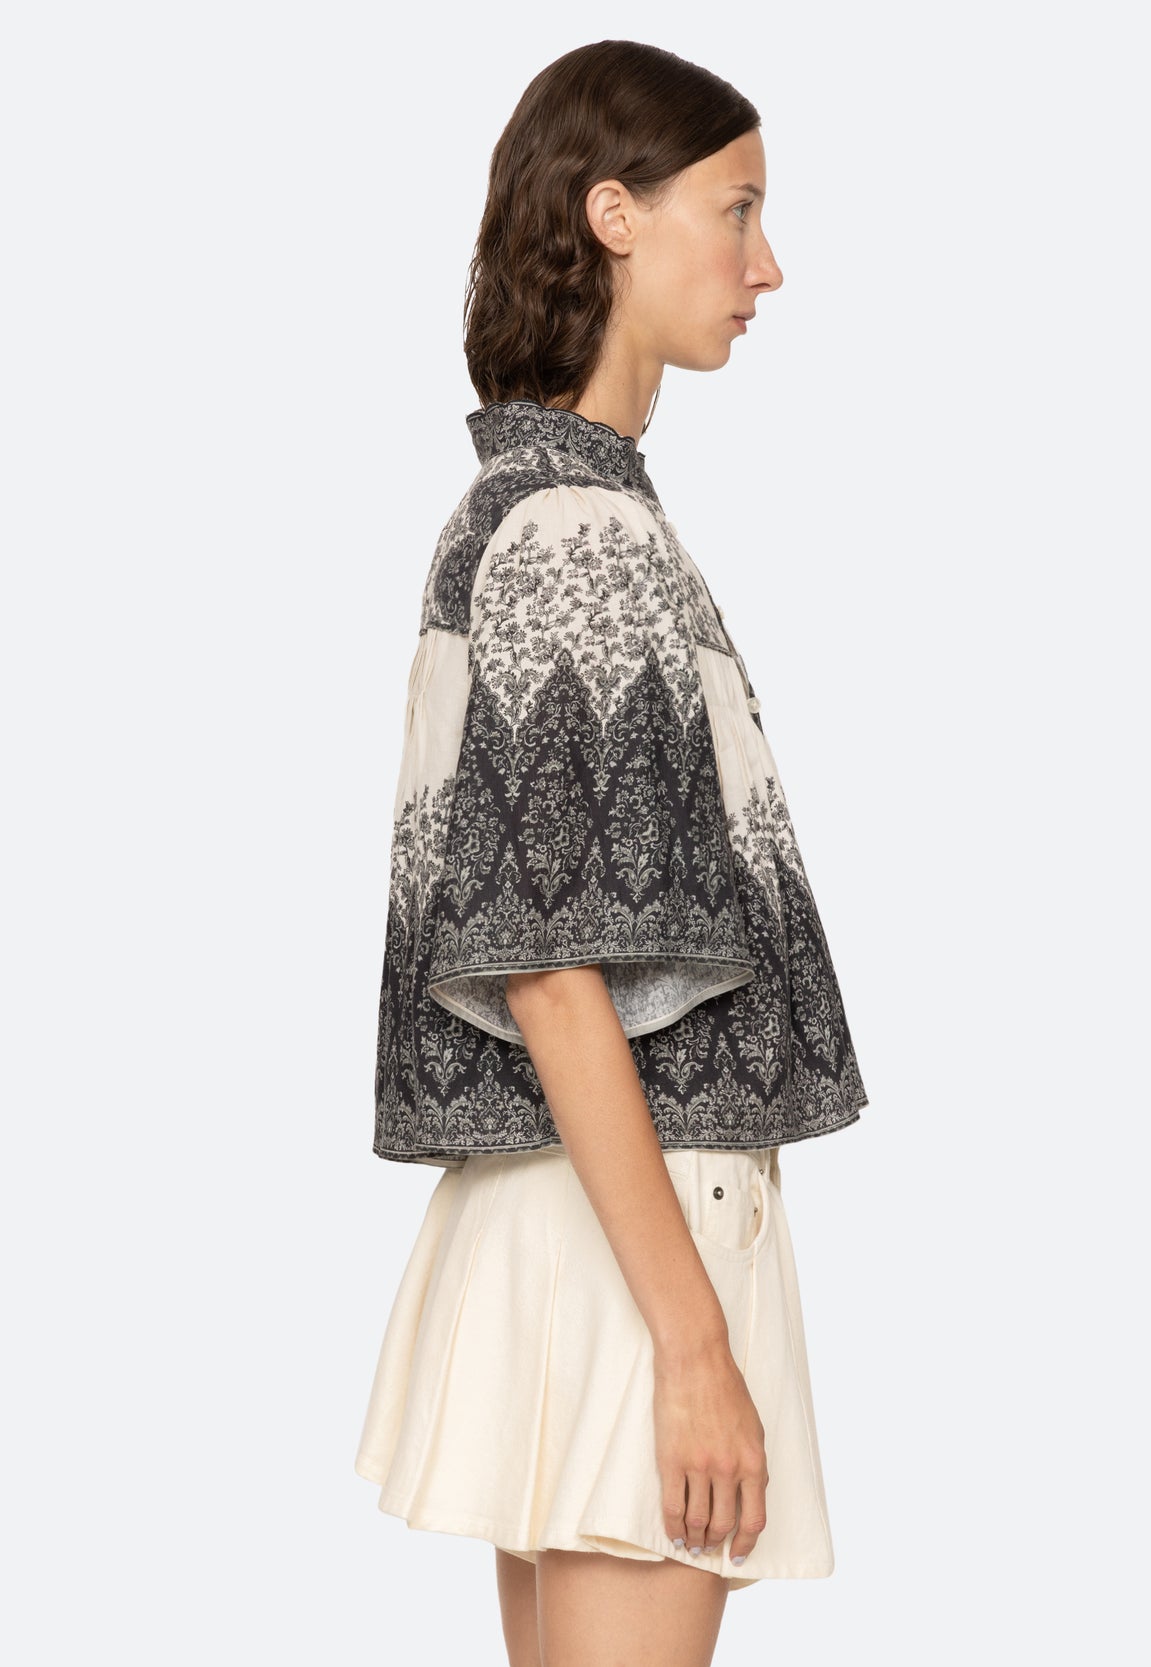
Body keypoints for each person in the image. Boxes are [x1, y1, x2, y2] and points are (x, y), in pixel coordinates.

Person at [355, 39, 869, 1667]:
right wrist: (694, 1339)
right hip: (640, 1219)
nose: (767, 265)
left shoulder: (510, 513)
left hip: (565, 1211)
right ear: (614, 216)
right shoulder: (583, 534)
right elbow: (550, 966)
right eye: (740, 210)